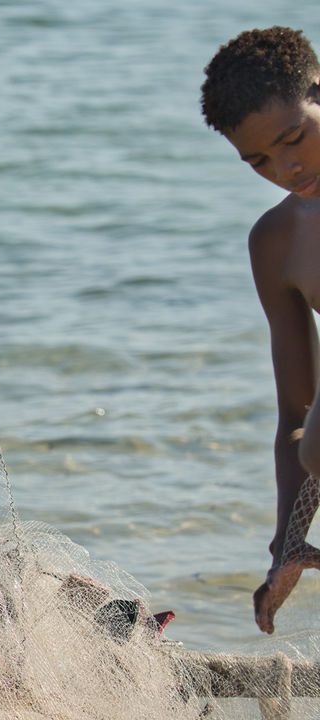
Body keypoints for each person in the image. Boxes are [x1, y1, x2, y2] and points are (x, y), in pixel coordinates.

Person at [202, 26, 320, 634]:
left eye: (295, 138)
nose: (287, 167)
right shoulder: (278, 240)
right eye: (258, 161)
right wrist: (286, 548)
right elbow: (295, 414)